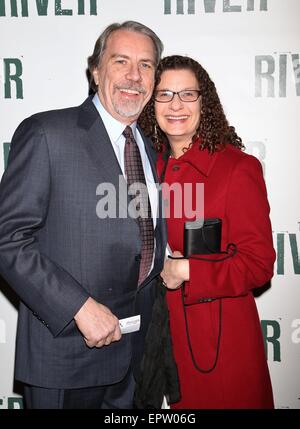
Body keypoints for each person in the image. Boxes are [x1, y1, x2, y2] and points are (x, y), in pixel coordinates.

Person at [0, 21, 166, 409]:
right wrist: (78, 307)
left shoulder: (153, 151)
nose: (133, 76)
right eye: (120, 60)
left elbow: (138, 238)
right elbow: (7, 238)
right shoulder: (47, 133)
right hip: (67, 357)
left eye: (145, 65)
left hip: (134, 360)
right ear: (95, 70)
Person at [138, 55, 276, 409]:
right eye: (164, 94)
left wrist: (187, 271)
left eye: (188, 94)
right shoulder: (143, 166)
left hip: (218, 345)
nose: (176, 105)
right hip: (152, 338)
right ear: (150, 103)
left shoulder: (237, 168)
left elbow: (258, 264)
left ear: (205, 100)